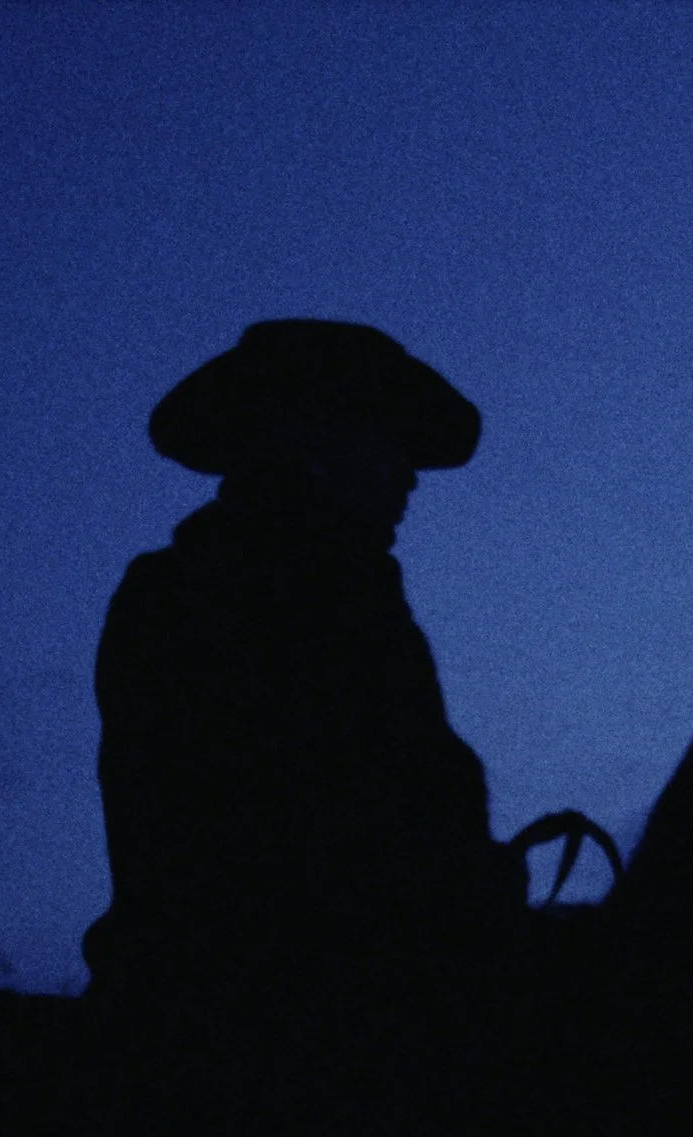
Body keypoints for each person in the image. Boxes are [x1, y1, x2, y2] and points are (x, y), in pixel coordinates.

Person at [79, 319, 526, 1018]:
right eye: (388, 444)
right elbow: (307, 833)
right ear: (316, 445)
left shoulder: (326, 594)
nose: (409, 475)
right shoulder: (229, 597)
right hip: (275, 1014)